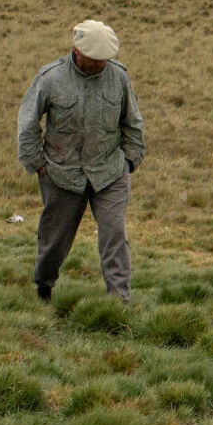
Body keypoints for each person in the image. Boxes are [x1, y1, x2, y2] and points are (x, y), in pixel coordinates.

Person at [17, 19, 146, 302]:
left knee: (114, 236)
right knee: (54, 241)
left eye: (104, 60)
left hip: (110, 173)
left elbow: (133, 122)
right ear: (76, 50)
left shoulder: (119, 76)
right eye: (94, 59)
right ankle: (43, 288)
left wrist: (130, 162)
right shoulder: (50, 78)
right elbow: (27, 123)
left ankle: (118, 301)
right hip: (61, 175)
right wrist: (39, 165)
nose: (100, 64)